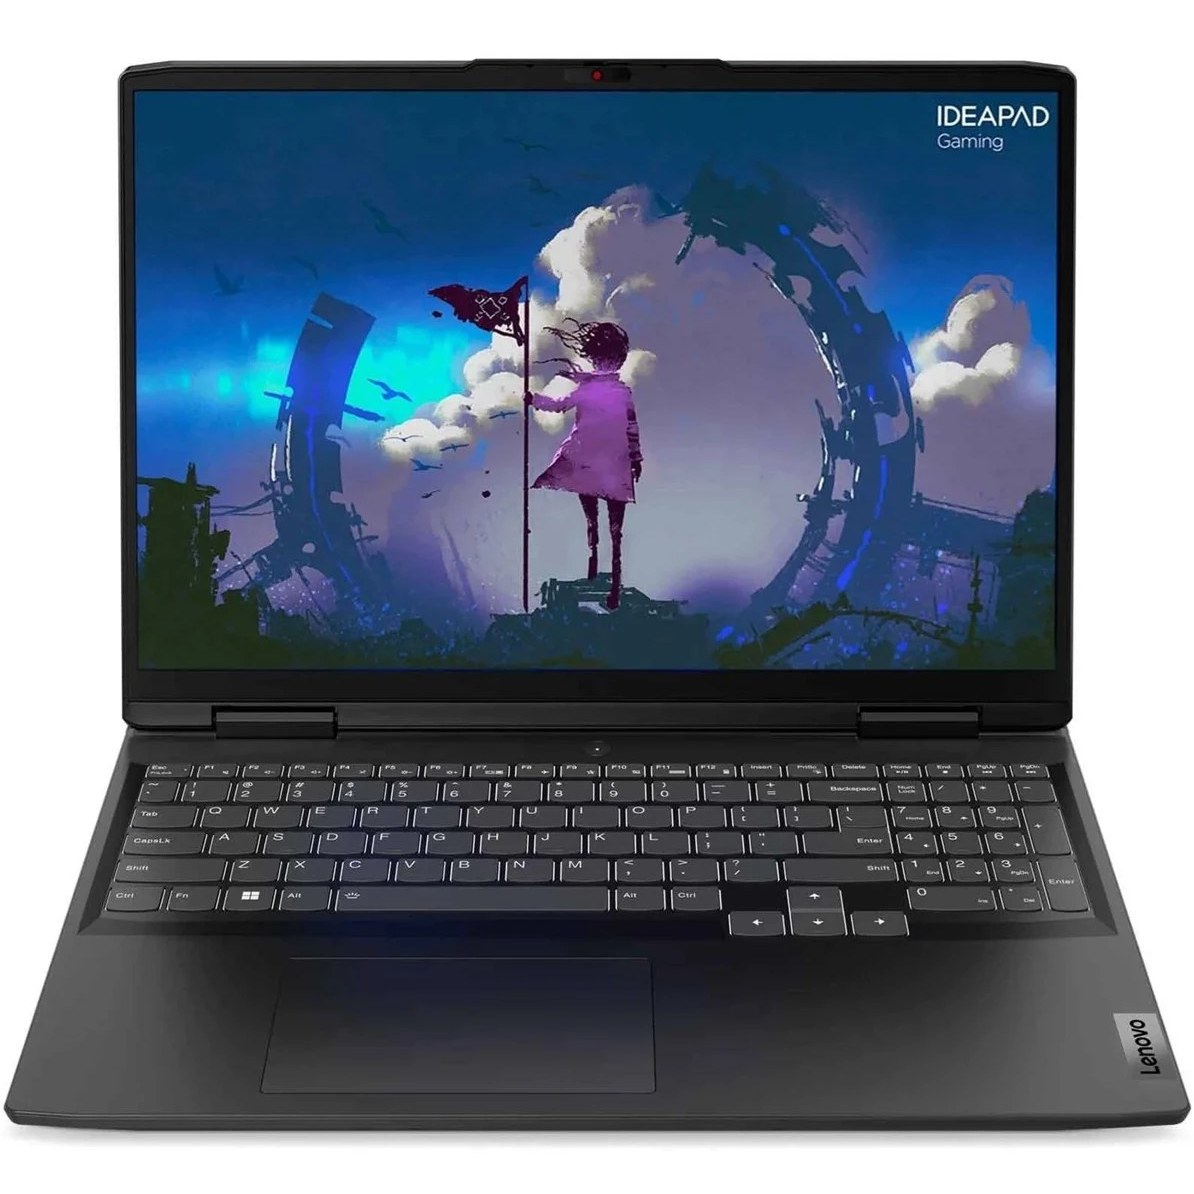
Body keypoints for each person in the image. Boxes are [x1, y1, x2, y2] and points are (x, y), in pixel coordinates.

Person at [527, 319, 642, 610]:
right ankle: (604, 579)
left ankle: (605, 579)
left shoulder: (599, 390)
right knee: (610, 528)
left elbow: (558, 405)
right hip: (605, 463)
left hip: (599, 462)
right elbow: (631, 428)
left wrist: (533, 399)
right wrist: (636, 458)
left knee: (605, 526)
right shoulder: (612, 391)